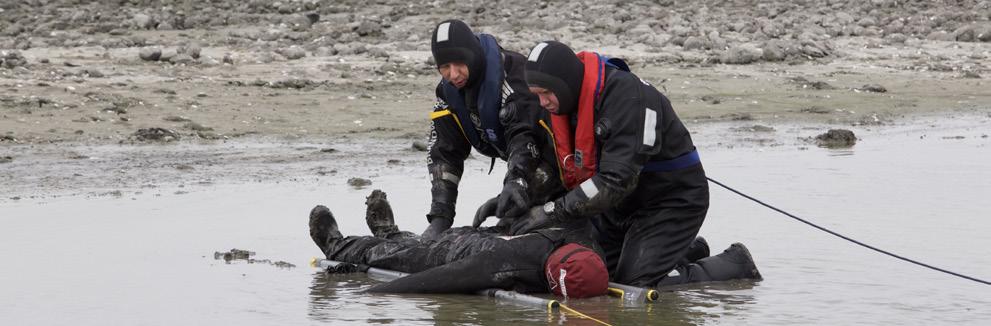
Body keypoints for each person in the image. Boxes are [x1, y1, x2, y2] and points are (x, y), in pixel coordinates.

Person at [515, 40, 762, 288]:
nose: (543, 103)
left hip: (670, 200)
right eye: (538, 95)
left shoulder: (628, 98)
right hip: (619, 206)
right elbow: (556, 165)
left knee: (633, 286)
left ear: (566, 82)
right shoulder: (565, 106)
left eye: (547, 93)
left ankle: (735, 264)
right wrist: (521, 189)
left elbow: (615, 180)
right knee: (595, 275)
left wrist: (551, 211)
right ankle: (685, 250)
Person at [308, 189, 608, 299]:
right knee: (394, 254)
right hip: (476, 246)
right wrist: (377, 292)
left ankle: (381, 235)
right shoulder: (511, 262)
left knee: (409, 251)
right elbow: (439, 279)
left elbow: (446, 276)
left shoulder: (583, 244)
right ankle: (338, 245)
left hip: (476, 245)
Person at [422, 19, 546, 239]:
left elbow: (526, 138)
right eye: (444, 67)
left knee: (522, 226)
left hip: (555, 161)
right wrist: (441, 217)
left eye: (459, 64)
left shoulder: (515, 78)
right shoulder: (447, 93)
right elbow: (443, 152)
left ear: (472, 55)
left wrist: (515, 183)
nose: (453, 75)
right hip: (523, 167)